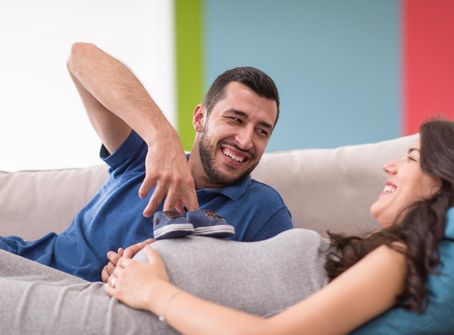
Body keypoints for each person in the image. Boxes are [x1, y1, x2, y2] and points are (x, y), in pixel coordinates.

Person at [0, 119, 454, 335]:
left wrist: (154, 290)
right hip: (125, 294)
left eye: (409, 157)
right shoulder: (385, 256)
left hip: (137, 319)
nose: (389, 165)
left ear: (445, 181)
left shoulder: (401, 259)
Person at [0, 43, 292, 282]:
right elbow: (81, 57)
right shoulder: (141, 158)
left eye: (261, 131)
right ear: (200, 118)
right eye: (235, 119)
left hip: (99, 311)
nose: (245, 140)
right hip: (30, 268)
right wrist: (161, 136)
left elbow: (278, 294)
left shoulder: (262, 208)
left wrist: (166, 273)